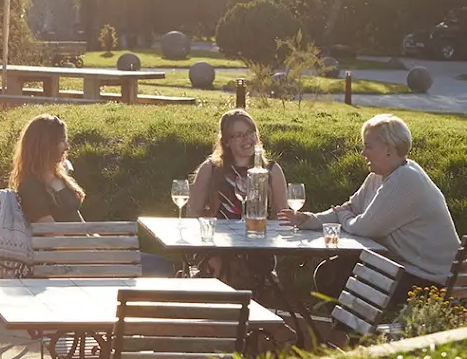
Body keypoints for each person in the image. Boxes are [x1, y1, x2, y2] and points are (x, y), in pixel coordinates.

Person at [282, 113, 459, 304]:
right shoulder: (379, 176)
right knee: (331, 272)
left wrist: (344, 217)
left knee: (338, 275)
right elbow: (350, 207)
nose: (363, 153)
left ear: (389, 150)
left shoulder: (406, 180)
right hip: (407, 269)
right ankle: (347, 332)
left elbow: (364, 227)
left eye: (368, 146)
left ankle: (350, 333)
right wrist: (310, 220)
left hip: (431, 281)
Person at [8, 114, 175, 275]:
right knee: (159, 267)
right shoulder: (31, 186)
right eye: (61, 141)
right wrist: (94, 251)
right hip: (75, 261)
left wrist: (101, 243)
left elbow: (76, 220)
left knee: (161, 265)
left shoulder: (54, 177)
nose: (66, 147)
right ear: (45, 146)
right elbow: (54, 237)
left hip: (88, 253)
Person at [187, 109, 288, 284]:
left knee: (249, 264)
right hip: (215, 247)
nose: (247, 139)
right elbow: (192, 215)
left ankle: (240, 306)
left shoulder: (272, 170)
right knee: (221, 263)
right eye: (239, 135)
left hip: (258, 247)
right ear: (226, 141)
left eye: (250, 133)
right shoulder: (210, 169)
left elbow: (282, 217)